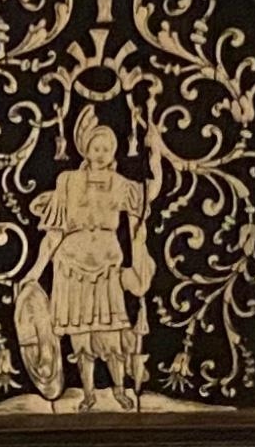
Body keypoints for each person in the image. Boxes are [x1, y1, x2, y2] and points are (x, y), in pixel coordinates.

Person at [19, 112, 155, 413]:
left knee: (111, 335)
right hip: (71, 267)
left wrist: (155, 154)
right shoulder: (67, 181)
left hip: (106, 265)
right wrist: (36, 271)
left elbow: (143, 209)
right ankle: (89, 394)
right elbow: (54, 233)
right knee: (80, 339)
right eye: (96, 146)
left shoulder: (121, 184)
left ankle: (119, 390)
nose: (102, 152)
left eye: (108, 147)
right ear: (84, 149)